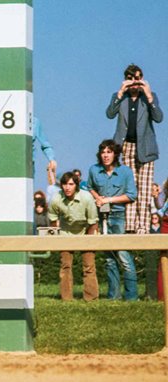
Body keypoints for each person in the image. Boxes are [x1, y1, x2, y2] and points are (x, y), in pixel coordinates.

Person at [106, 64, 164, 234]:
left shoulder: (149, 97)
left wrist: (148, 94)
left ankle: (143, 226)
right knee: (130, 187)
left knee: (145, 188)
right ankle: (130, 226)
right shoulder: (120, 97)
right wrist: (120, 92)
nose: (134, 83)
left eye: (137, 78)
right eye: (131, 79)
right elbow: (110, 114)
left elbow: (159, 117)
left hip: (145, 148)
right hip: (126, 147)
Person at [88, 139, 138, 301]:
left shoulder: (125, 171)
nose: (106, 155)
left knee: (123, 256)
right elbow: (90, 187)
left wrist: (108, 200)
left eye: (109, 152)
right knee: (109, 259)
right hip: (101, 217)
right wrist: (97, 198)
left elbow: (131, 195)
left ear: (115, 154)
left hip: (118, 216)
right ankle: (113, 296)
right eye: (103, 152)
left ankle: (132, 296)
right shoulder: (94, 170)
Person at [48, 171, 99, 301]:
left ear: (76, 185)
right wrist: (57, 238)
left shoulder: (87, 197)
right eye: (64, 184)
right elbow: (53, 220)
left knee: (89, 266)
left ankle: (91, 298)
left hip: (86, 231)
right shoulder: (56, 199)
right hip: (65, 233)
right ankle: (66, 299)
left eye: (71, 184)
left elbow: (93, 222)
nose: (67, 187)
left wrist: (88, 242)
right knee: (65, 266)